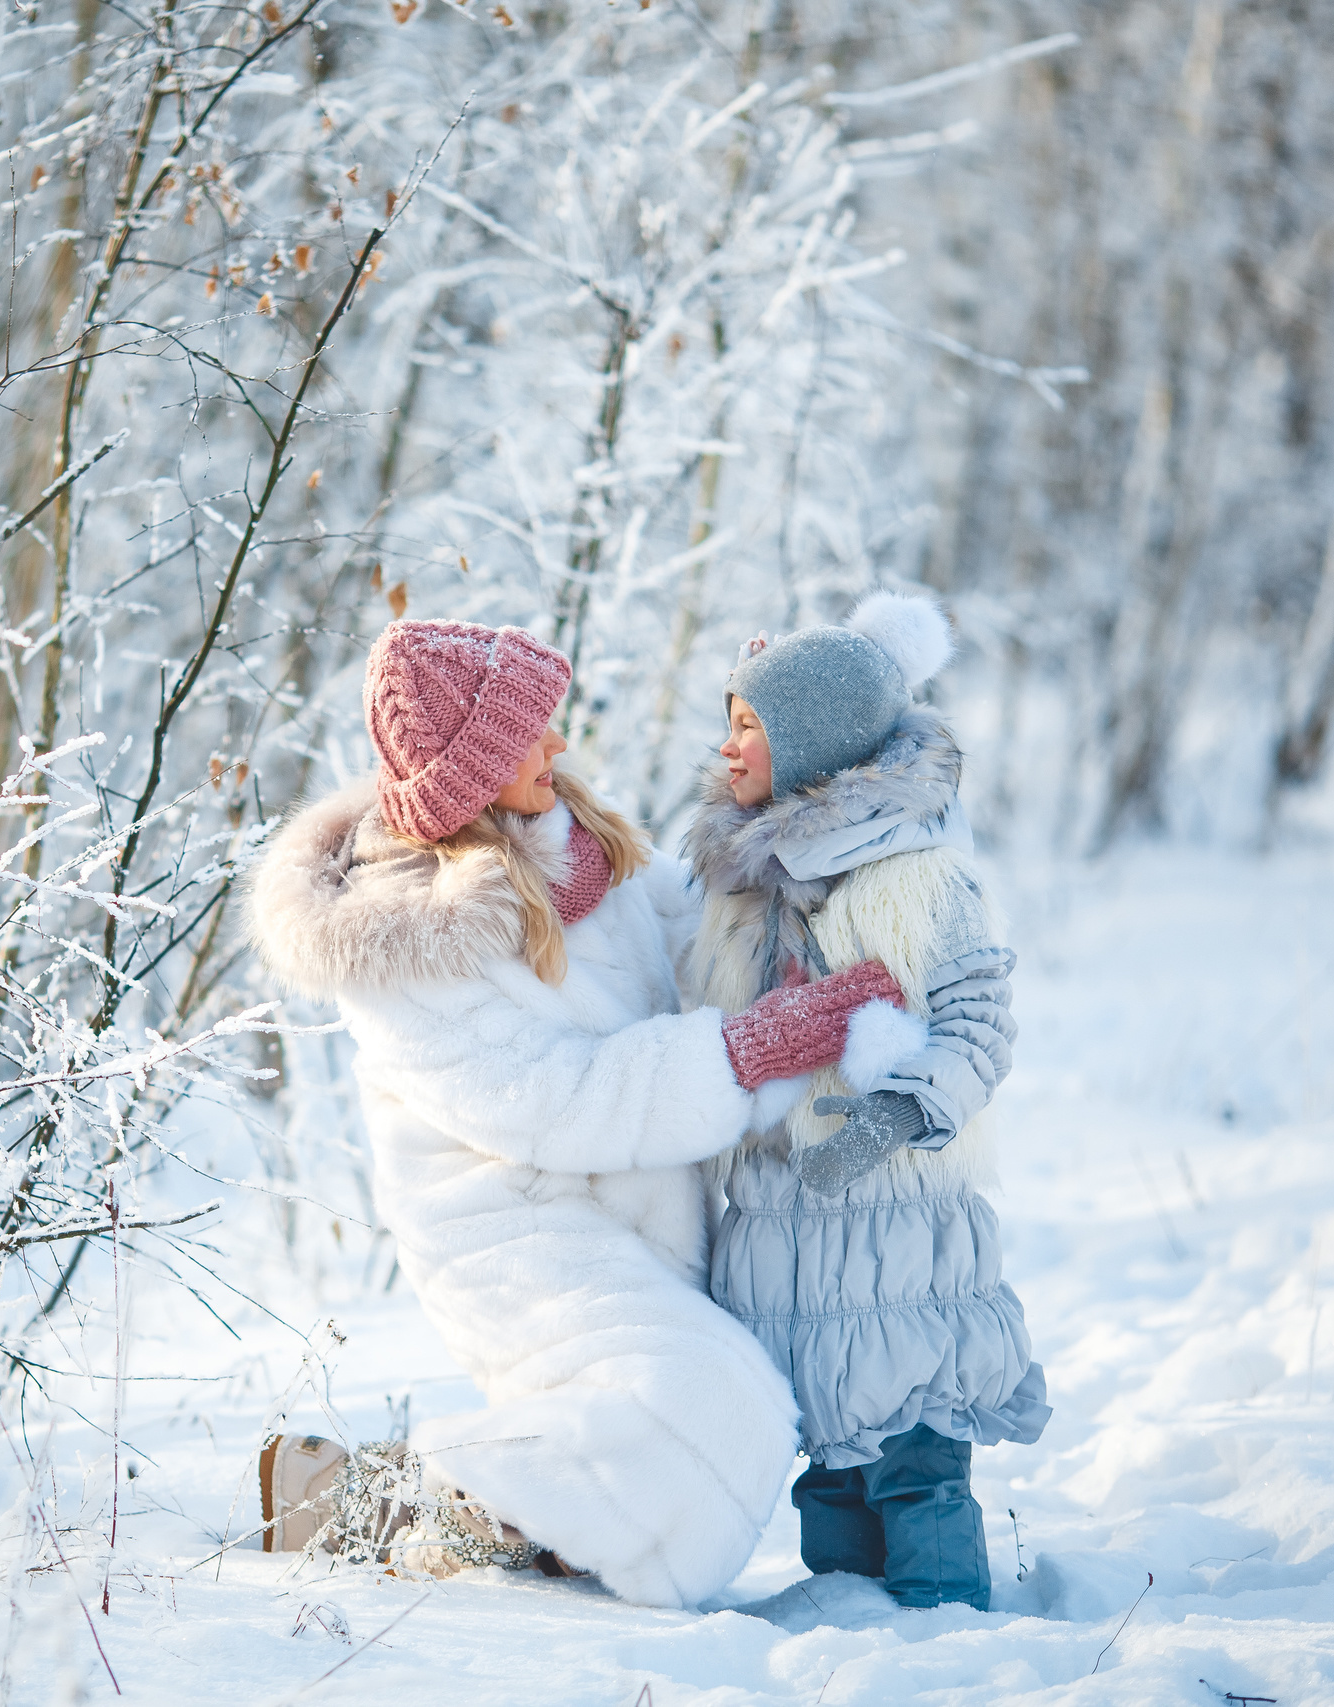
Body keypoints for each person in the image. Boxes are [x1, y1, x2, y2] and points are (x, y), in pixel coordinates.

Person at [242, 618, 926, 1607]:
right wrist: (761, 1043)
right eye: (530, 734)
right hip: (519, 1242)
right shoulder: (407, 948)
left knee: (717, 1410)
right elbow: (561, 1102)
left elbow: (691, 947)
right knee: (707, 1406)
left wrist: (790, 856)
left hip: (633, 1221)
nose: (557, 746)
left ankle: (510, 1531)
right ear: (471, 773)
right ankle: (386, 1502)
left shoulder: (573, 845)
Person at [681, 589, 1044, 1612]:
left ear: (810, 742)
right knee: (828, 1492)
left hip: (901, 1246)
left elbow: (981, 1023)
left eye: (748, 725)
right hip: (779, 1250)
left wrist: (897, 1114)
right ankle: (850, 1649)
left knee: (916, 1476)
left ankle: (957, 1661)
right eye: (729, 721)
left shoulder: (919, 878)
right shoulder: (733, 881)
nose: (727, 746)